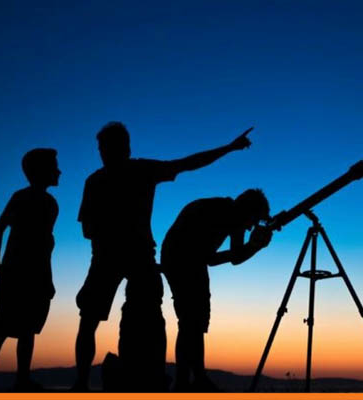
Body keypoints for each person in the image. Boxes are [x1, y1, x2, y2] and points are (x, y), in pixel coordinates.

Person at [73, 121, 253, 391]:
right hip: (121, 257)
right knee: (97, 320)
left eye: (106, 148)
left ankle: (103, 383)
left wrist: (229, 148)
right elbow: (87, 229)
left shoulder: (115, 176)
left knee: (102, 320)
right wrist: (229, 148)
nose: (103, 153)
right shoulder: (116, 176)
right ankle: (86, 384)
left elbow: (188, 163)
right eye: (102, 148)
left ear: (124, 148)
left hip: (123, 257)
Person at [161, 189, 272, 391]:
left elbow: (219, 258)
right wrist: (255, 246)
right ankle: (186, 382)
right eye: (253, 221)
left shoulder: (227, 212)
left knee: (193, 323)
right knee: (191, 322)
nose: (250, 227)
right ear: (247, 211)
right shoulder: (226, 214)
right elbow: (230, 257)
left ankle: (195, 379)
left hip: (184, 261)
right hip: (183, 262)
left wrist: (254, 245)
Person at [0, 149, 60, 391]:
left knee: (23, 330)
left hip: (27, 273)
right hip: (20, 273)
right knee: (6, 328)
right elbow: (3, 230)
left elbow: (42, 245)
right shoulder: (30, 199)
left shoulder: (46, 202)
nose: (59, 171)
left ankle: (17, 379)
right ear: (41, 171)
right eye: (54, 167)